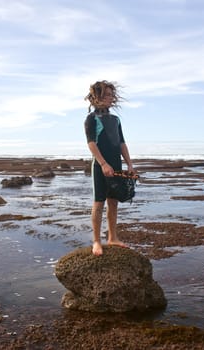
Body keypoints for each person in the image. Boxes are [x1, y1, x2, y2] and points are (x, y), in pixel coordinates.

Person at [84, 80, 134, 256]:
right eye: (106, 95)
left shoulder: (115, 119)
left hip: (117, 164)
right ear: (96, 97)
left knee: (113, 202)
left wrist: (129, 164)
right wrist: (103, 163)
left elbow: (121, 142)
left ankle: (113, 237)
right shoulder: (91, 119)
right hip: (100, 166)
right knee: (99, 202)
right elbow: (91, 143)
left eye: (112, 95)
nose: (110, 98)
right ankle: (96, 241)